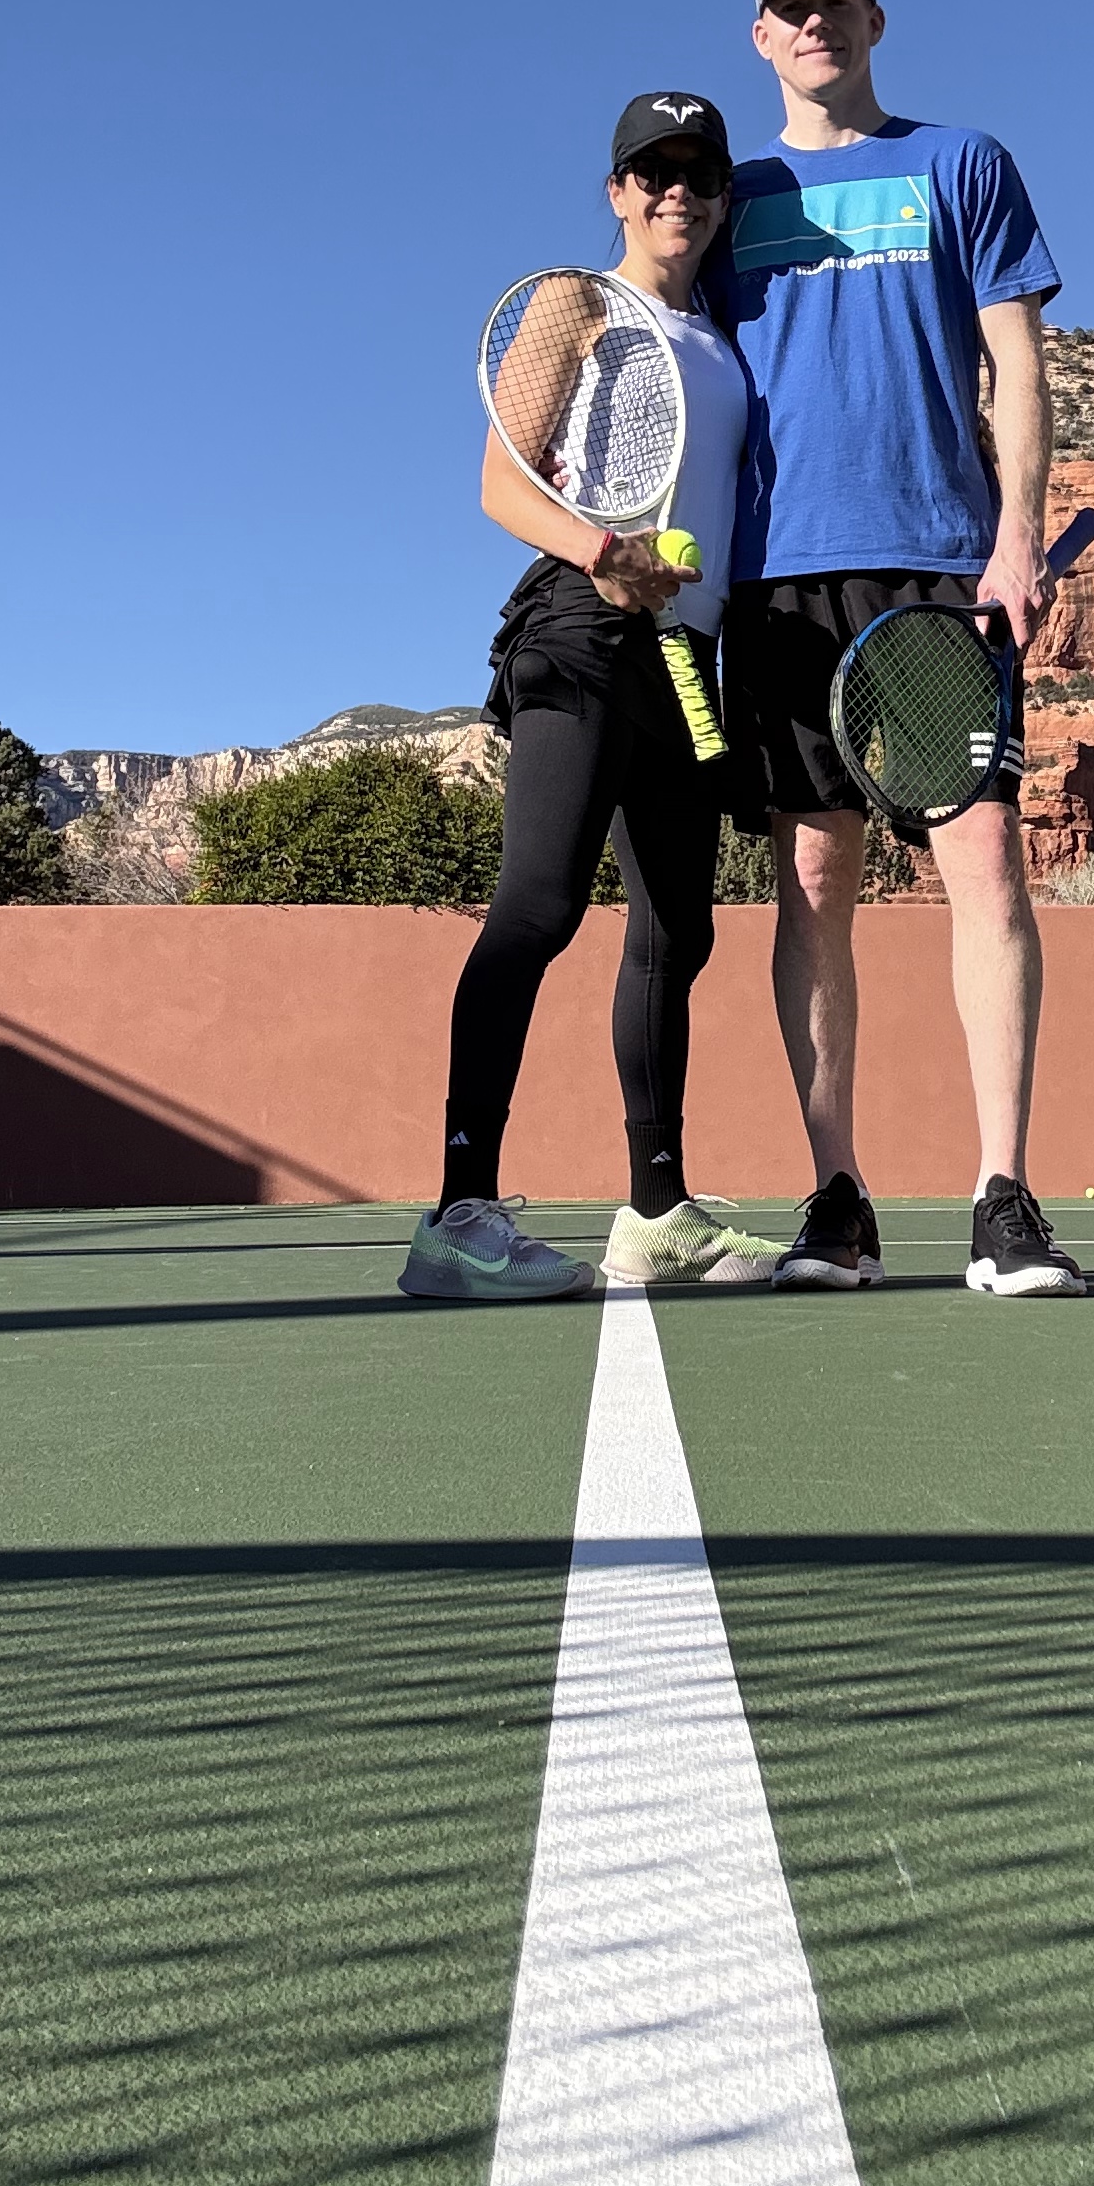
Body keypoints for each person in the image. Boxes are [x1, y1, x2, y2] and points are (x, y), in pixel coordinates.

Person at [710, 0, 1087, 1297]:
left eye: (836, 0)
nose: (815, 22)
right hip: (778, 585)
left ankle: (1004, 1197)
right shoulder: (729, 197)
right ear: (763, 37)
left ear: (875, 19)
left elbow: (1017, 363)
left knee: (984, 867)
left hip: (938, 571)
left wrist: (1016, 534)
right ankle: (837, 1200)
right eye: (791, 8)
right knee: (813, 886)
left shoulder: (961, 163)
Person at [400, 93, 787, 1301]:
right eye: (652, 170)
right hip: (579, 627)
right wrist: (600, 550)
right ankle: (459, 1214)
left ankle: (659, 1213)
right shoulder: (576, 300)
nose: (679, 191)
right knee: (539, 903)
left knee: (680, 931)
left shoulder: (725, 335)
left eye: (700, 173)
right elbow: (498, 483)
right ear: (617, 191)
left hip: (683, 654)